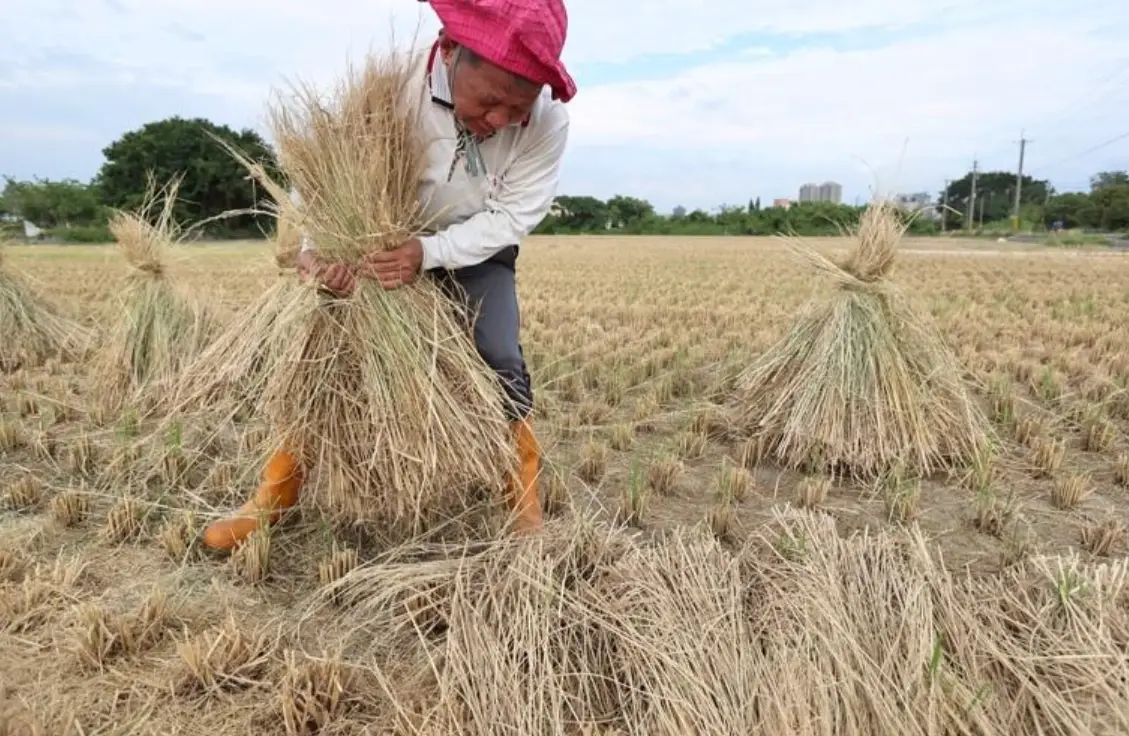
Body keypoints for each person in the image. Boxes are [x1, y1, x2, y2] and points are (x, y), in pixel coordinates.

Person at [201, 0, 576, 552]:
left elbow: (512, 217)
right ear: (450, 50)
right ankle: (273, 497)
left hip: (472, 247)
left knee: (498, 355)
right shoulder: (389, 87)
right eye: (491, 100)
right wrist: (315, 250)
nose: (501, 120)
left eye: (516, 108)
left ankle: (524, 508)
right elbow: (328, 171)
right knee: (321, 356)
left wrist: (427, 253)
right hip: (373, 243)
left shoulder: (547, 121)